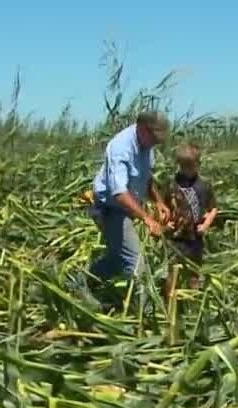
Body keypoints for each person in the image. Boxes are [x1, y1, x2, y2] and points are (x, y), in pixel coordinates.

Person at [71, 111, 171, 313]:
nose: (156, 144)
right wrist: (148, 219)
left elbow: (146, 177)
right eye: (154, 138)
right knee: (136, 263)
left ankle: (77, 281)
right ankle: (145, 313)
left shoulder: (146, 145)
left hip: (125, 206)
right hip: (110, 208)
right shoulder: (120, 148)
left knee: (118, 259)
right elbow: (119, 194)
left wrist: (159, 202)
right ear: (143, 129)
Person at [162, 143, 219, 303]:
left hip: (195, 238)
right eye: (184, 167)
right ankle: (170, 306)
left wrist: (206, 224)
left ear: (198, 164)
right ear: (179, 165)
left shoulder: (204, 185)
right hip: (175, 238)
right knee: (171, 273)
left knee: (194, 273)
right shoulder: (171, 184)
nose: (188, 170)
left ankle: (192, 305)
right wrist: (166, 223)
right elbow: (163, 206)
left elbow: (213, 208)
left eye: (191, 166)